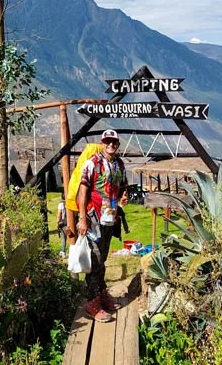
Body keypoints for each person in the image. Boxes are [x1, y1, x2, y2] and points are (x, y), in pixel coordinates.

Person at [76, 129, 128, 322]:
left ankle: (102, 294)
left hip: (110, 218)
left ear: (118, 144)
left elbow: (122, 187)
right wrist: (82, 218)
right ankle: (92, 303)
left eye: (114, 142)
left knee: (102, 257)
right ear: (102, 143)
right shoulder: (93, 163)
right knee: (95, 259)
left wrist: (124, 196)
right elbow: (83, 191)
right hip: (94, 217)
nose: (111, 145)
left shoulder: (119, 164)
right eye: (107, 141)